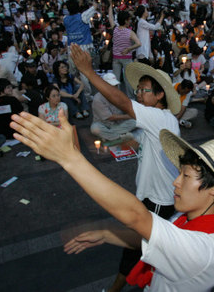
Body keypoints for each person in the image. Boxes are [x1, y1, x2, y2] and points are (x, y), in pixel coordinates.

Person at [10, 109, 214, 291]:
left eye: (185, 176)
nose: (175, 182)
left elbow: (136, 216)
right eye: (179, 173)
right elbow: (154, 239)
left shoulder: (203, 252)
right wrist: (107, 234)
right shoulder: (189, 218)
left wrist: (70, 159)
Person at [69, 44, 181, 292]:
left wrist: (89, 72)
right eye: (138, 89)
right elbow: (136, 140)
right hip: (151, 197)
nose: (138, 94)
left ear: (160, 95)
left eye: (144, 90)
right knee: (142, 248)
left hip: (158, 201)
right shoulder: (159, 121)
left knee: (135, 249)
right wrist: (118, 143)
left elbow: (120, 101)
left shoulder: (159, 117)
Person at [108, 0, 141, 99]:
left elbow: (110, 17)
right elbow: (138, 43)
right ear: (126, 21)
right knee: (128, 80)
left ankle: (116, 98)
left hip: (116, 58)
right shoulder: (129, 32)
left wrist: (110, 4)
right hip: (126, 58)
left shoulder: (115, 29)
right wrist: (128, 49)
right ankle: (131, 100)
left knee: (116, 79)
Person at [90, 73, 136, 141]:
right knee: (95, 129)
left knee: (134, 122)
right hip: (103, 123)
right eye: (112, 86)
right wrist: (128, 116)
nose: (115, 88)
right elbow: (110, 117)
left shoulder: (118, 95)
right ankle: (120, 136)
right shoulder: (98, 99)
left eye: (116, 85)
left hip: (117, 123)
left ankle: (107, 135)